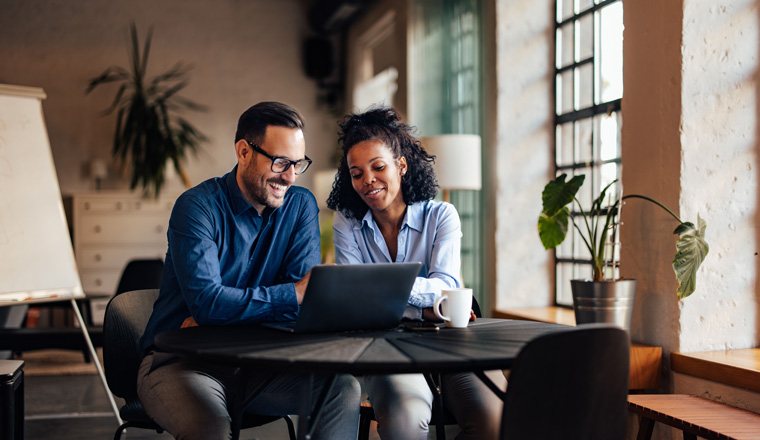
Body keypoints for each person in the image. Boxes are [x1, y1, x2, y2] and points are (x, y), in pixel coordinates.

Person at [137, 102, 361, 440]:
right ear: (244, 151)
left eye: (298, 164)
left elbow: (301, 308)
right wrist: (291, 293)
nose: (289, 176)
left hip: (257, 365)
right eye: (281, 162)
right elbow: (210, 304)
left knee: (340, 389)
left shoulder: (298, 206)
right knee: (208, 427)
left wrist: (218, 319)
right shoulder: (196, 207)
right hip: (181, 362)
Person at [327, 107, 507, 440]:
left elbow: (447, 286)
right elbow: (355, 300)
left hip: (452, 344)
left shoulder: (442, 216)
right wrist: (425, 308)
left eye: (378, 167)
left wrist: (391, 298)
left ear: (401, 165)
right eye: (356, 173)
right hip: (386, 347)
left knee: (494, 416)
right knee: (406, 419)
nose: (367, 180)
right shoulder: (347, 222)